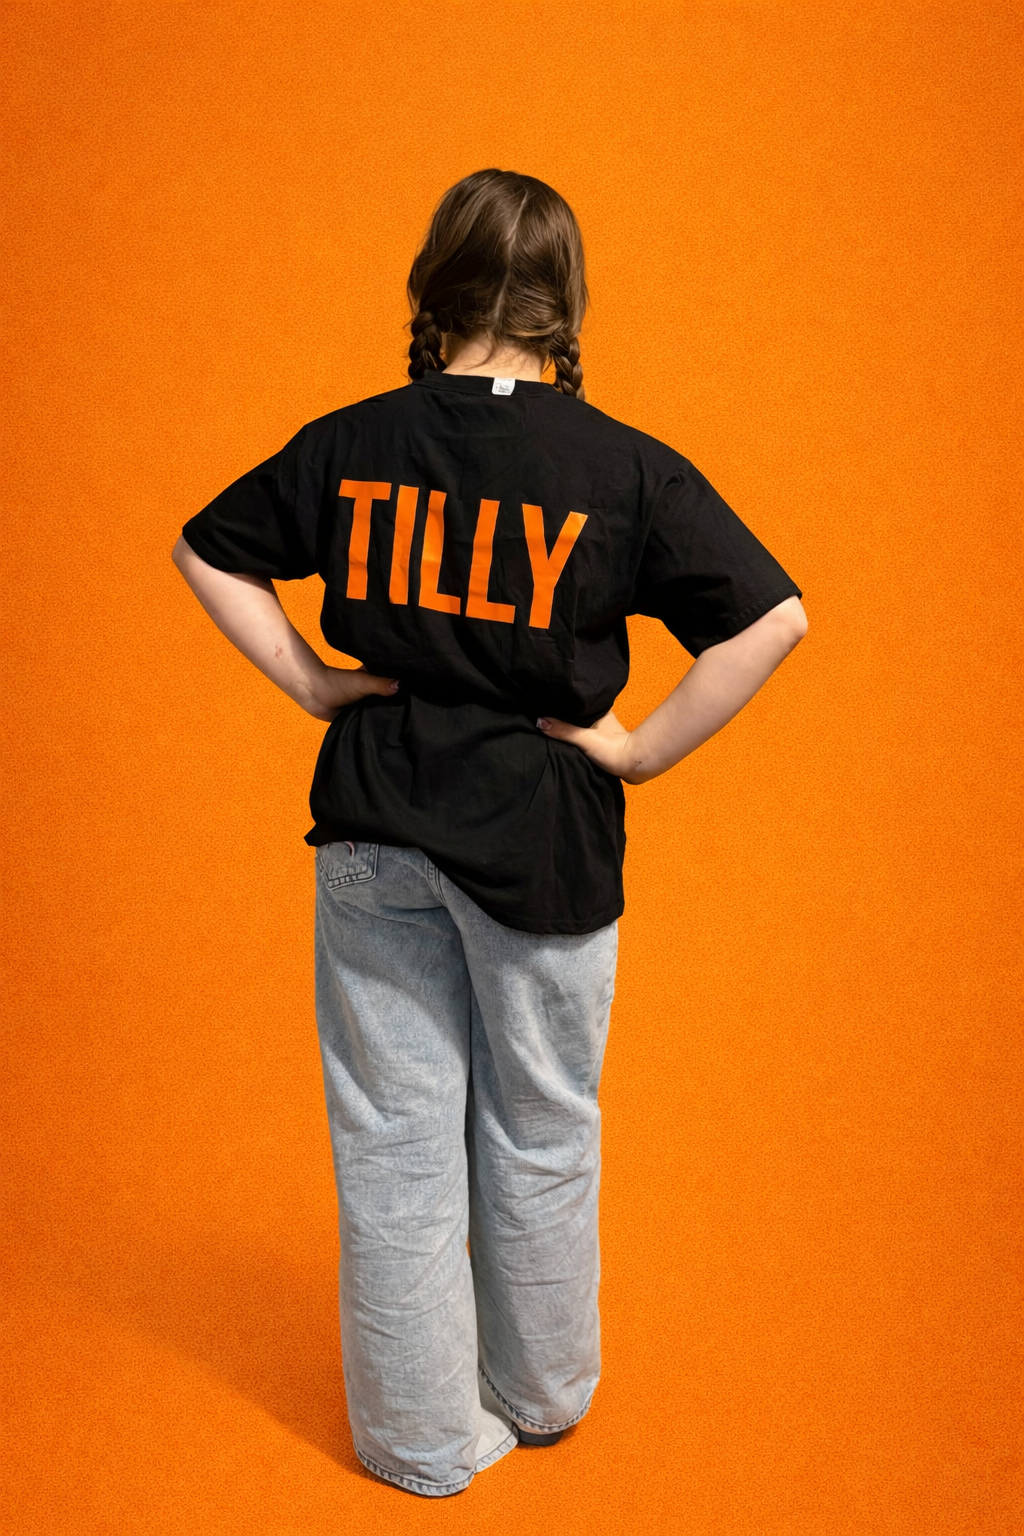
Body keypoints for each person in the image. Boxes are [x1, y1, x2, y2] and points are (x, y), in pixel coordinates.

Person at [172, 169, 807, 1498]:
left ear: (435, 288)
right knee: (542, 1128)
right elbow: (772, 618)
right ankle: (542, 1391)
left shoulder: (355, 440)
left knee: (394, 1143)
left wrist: (313, 683)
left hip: (375, 827)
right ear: (562, 305)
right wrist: (637, 750)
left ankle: (419, 1442)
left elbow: (206, 549)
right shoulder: (622, 466)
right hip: (544, 846)